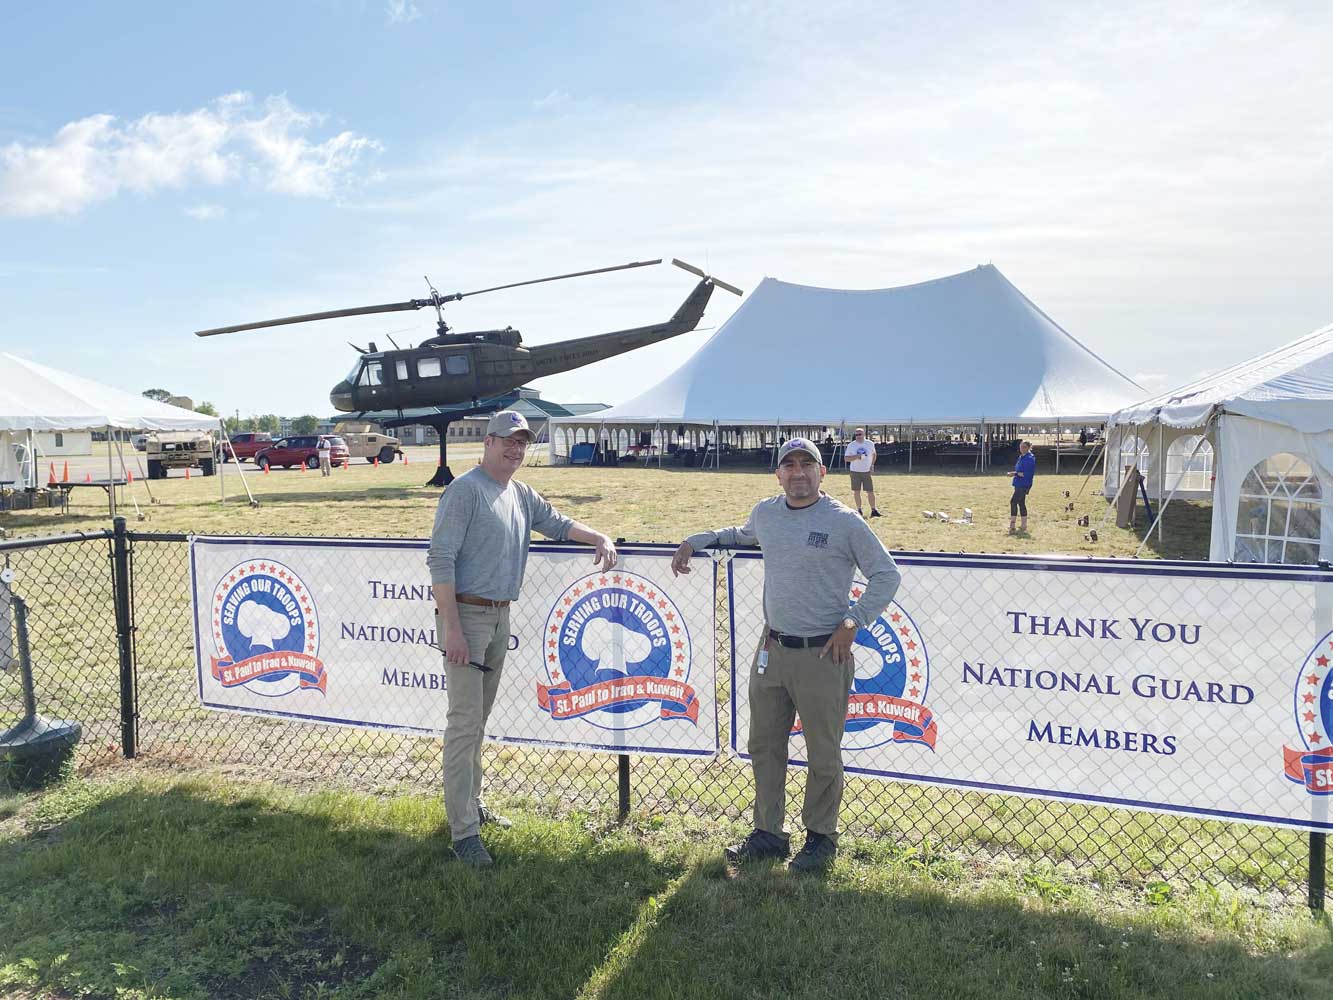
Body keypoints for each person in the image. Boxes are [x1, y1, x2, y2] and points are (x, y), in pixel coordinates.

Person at [671, 437, 901, 872]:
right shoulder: (767, 513)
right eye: (789, 465)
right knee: (764, 744)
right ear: (778, 474)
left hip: (823, 654)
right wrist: (695, 540)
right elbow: (740, 535)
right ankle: (769, 833)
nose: (798, 473)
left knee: (823, 751)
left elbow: (886, 575)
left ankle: (820, 837)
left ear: (822, 473)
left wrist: (852, 623)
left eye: (806, 465)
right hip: (772, 648)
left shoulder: (845, 522)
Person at [427, 410, 618, 867]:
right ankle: (463, 834)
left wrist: (598, 536)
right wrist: (451, 627)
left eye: (522, 443)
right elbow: (440, 560)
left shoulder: (519, 493)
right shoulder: (465, 491)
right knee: (463, 725)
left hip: (498, 617)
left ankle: (471, 805)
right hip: (467, 618)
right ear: (488, 443)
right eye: (507, 441)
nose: (515, 450)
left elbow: (555, 522)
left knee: (478, 721)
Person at [844, 428, 880, 518]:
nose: (858, 436)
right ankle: (859, 510)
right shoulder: (851, 445)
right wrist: (857, 456)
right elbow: (846, 459)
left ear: (864, 434)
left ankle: (874, 510)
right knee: (857, 492)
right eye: (856, 435)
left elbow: (874, 454)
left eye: (860, 434)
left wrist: (872, 466)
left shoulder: (870, 444)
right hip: (855, 471)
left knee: (870, 491)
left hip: (866, 471)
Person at [1007, 440, 1036, 533]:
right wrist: (1015, 473)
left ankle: (1012, 524)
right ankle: (1023, 525)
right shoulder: (1021, 457)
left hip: (1024, 484)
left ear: (1028, 448)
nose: (1021, 449)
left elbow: (1025, 474)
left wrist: (1014, 473)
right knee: (1021, 503)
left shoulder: (1029, 458)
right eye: (1020, 447)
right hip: (1018, 483)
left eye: (1024, 447)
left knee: (1013, 502)